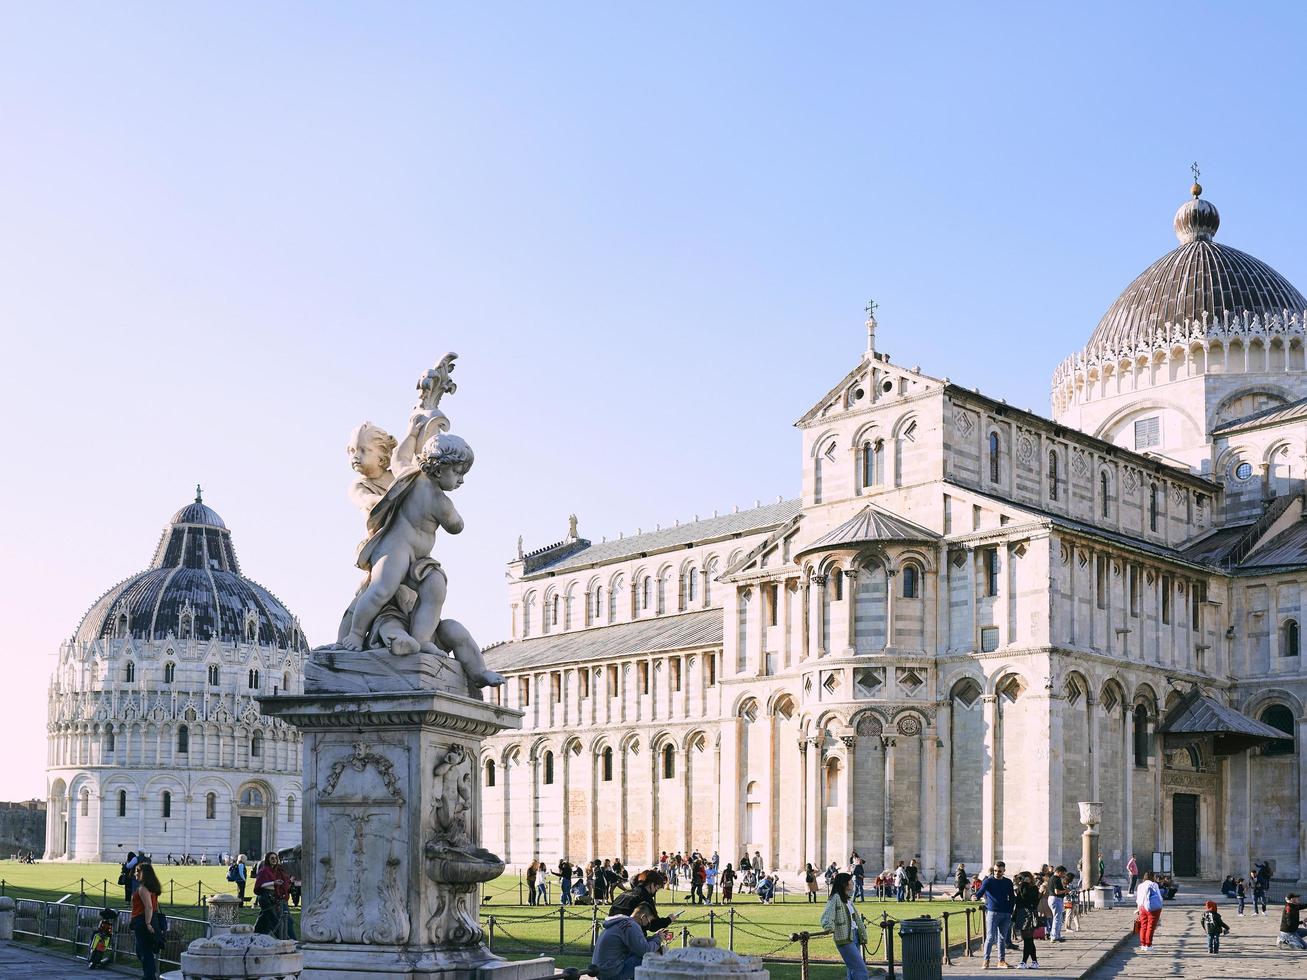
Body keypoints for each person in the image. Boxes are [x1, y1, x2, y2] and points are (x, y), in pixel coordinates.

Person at [591, 903, 670, 980]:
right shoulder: (631, 926)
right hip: (611, 974)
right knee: (650, 956)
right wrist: (658, 939)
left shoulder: (622, 922)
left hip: (601, 971)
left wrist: (655, 937)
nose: (649, 924)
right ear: (643, 917)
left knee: (639, 952)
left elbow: (638, 943)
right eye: (650, 921)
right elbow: (645, 950)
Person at [820, 872, 867, 980]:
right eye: (850, 881)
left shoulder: (847, 899)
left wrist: (862, 933)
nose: (852, 883)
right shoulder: (836, 898)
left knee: (852, 970)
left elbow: (855, 918)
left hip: (854, 936)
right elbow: (827, 915)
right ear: (844, 883)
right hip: (844, 938)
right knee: (861, 970)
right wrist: (829, 926)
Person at [974, 862, 1015, 969]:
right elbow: (981, 891)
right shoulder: (988, 880)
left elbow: (1012, 897)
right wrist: (976, 896)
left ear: (1004, 871)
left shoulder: (1008, 882)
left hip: (1005, 913)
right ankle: (986, 960)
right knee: (990, 937)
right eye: (995, 871)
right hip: (993, 912)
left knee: (1002, 938)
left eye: (999, 871)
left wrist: (1010, 911)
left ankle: (1001, 960)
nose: (997, 873)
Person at [609, 870, 674, 934]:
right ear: (651, 884)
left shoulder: (624, 894)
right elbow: (653, 924)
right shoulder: (645, 897)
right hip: (629, 936)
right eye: (656, 888)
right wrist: (669, 919)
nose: (656, 891)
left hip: (611, 932)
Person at [130, 862, 163, 980]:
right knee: (142, 950)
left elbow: (148, 906)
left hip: (142, 921)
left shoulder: (143, 889)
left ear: (143, 874)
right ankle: (149, 974)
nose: (135, 874)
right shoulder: (151, 888)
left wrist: (148, 923)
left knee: (145, 951)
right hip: (147, 919)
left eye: (137, 872)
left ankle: (149, 976)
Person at [254, 851, 295, 939]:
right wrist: (274, 882)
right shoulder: (264, 870)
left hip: (273, 896)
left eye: (276, 858)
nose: (274, 860)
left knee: (265, 920)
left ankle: (256, 936)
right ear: (268, 859)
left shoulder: (275, 870)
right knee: (274, 920)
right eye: (272, 858)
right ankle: (285, 939)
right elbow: (260, 885)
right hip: (265, 897)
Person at [1013, 871, 1041, 969]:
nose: (1020, 880)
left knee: (1028, 940)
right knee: (1028, 940)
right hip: (1021, 914)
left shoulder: (1033, 888)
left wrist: (1025, 883)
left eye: (1022, 878)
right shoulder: (1021, 887)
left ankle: (1024, 962)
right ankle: (1035, 962)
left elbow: (1025, 896)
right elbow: (1018, 902)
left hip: (1029, 914)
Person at [1135, 870, 1163, 952]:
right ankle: (1148, 945)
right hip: (1152, 907)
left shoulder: (1140, 885)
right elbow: (1159, 897)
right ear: (1152, 877)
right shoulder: (1153, 884)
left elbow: (1138, 898)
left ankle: (1143, 944)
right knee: (1150, 927)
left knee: (1143, 926)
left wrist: (1138, 908)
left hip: (1141, 907)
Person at [1049, 868, 1069, 943]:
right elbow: (1057, 892)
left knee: (1058, 918)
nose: (1064, 875)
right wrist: (1065, 891)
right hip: (1056, 899)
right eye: (1063, 873)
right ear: (1059, 872)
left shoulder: (1052, 878)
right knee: (1057, 918)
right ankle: (1054, 936)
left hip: (1053, 899)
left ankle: (1057, 935)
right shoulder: (1056, 879)